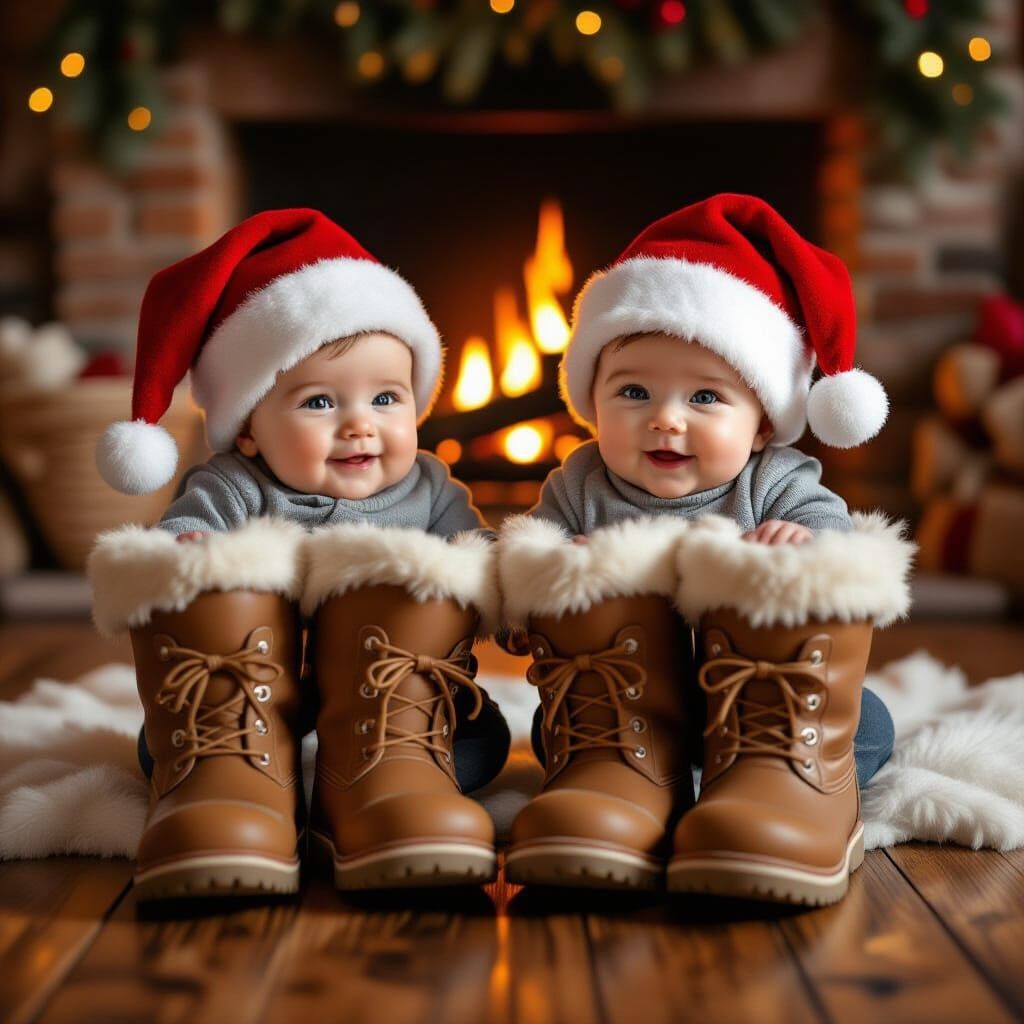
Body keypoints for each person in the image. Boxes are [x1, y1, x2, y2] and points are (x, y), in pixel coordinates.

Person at [92, 209, 506, 898]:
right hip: (253, 701)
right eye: (319, 402)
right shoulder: (233, 485)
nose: (359, 425)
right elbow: (170, 552)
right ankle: (249, 780)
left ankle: (371, 783)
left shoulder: (429, 486)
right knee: (155, 748)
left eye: (385, 398)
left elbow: (475, 550)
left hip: (393, 706)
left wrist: (501, 571)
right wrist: (188, 557)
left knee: (478, 744)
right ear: (249, 428)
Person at [501, 194, 901, 903]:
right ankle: (635, 785)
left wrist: (801, 547)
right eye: (632, 391)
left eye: (705, 399)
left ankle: (772, 782)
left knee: (866, 723)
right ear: (590, 403)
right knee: (548, 723)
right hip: (631, 709)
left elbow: (842, 559)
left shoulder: (774, 481)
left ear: (761, 425)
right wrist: (557, 575)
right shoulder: (582, 485)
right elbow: (528, 574)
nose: (664, 418)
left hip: (757, 705)